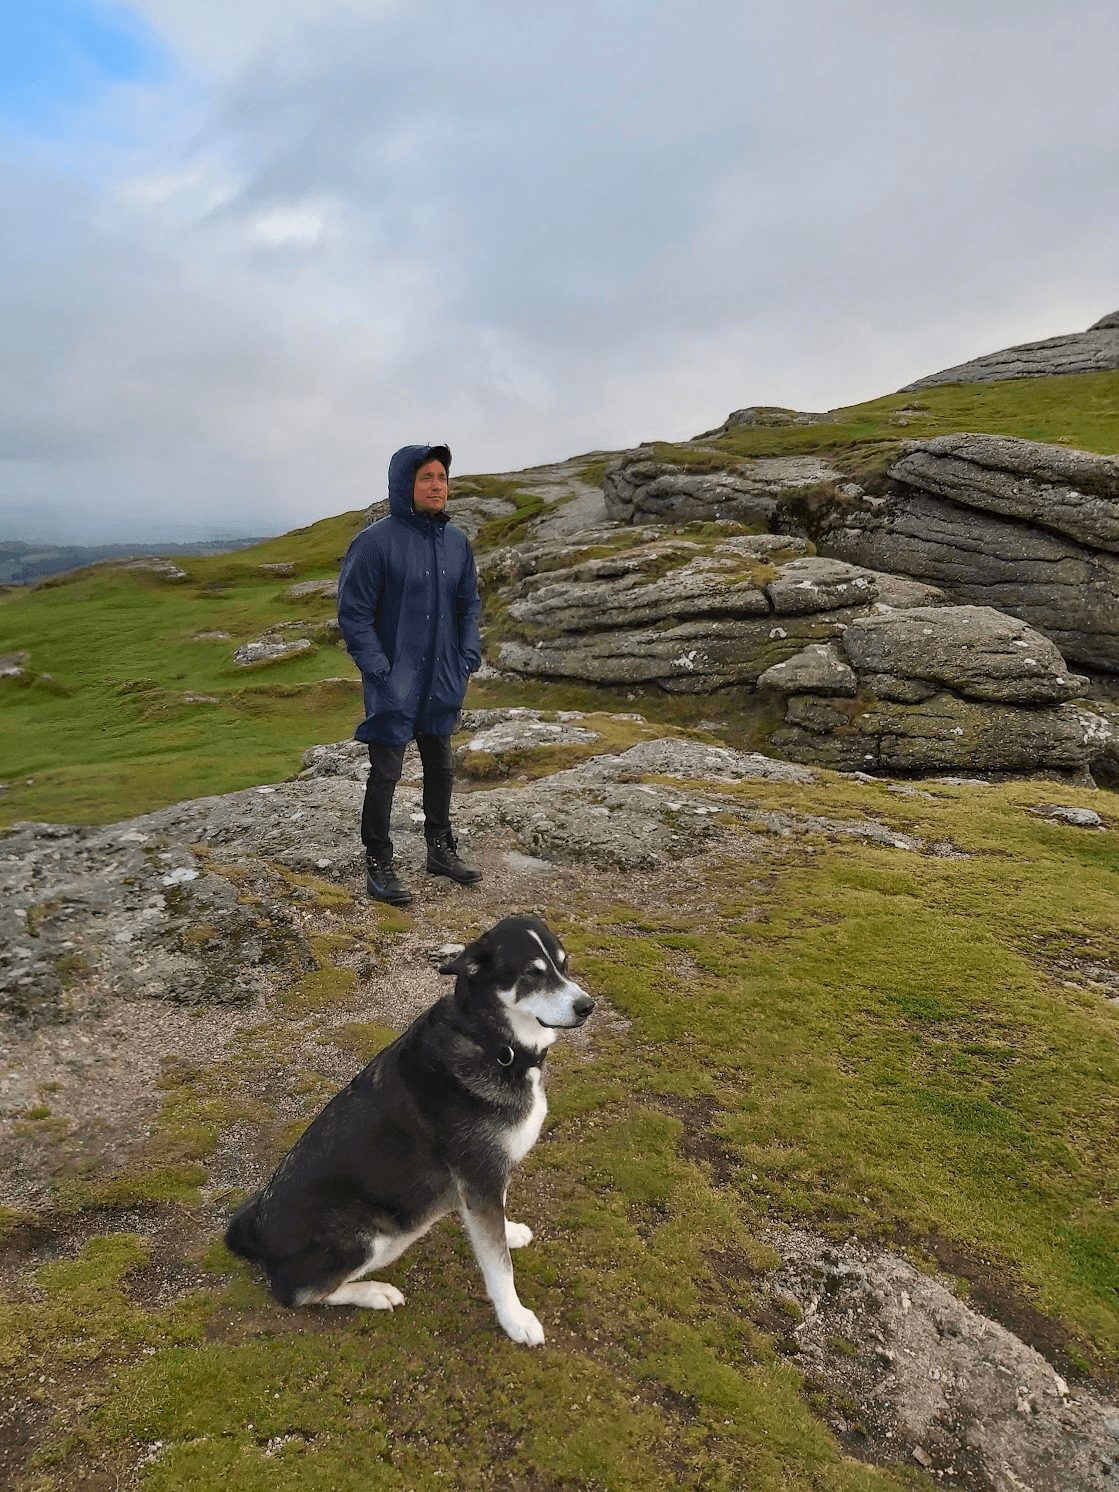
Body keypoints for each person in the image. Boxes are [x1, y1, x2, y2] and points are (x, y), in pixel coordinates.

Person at [337, 443, 482, 905]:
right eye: (426, 478)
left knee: (440, 763)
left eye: (441, 477)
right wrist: (379, 668)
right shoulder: (375, 542)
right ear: (406, 485)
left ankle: (440, 849)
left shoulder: (457, 542)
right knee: (386, 771)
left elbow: (468, 606)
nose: (436, 485)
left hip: (442, 675)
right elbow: (354, 613)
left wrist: (466, 656)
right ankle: (378, 862)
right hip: (394, 678)